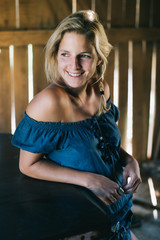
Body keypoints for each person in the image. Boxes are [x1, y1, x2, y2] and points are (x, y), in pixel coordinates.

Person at [12, 10, 141, 240]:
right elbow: (28, 165)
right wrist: (89, 180)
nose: (74, 65)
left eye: (84, 55)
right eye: (65, 54)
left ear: (99, 58)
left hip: (116, 213)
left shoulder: (102, 89)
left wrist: (129, 160)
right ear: (55, 55)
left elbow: (105, 144)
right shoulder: (48, 103)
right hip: (79, 223)